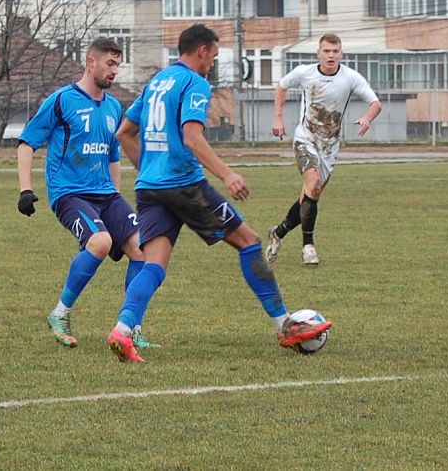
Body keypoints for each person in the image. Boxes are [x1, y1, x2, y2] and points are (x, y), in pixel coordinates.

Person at [112, 24, 331, 363]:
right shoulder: (195, 82)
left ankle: (123, 329)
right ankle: (284, 324)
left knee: (154, 264)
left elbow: (125, 133)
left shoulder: (157, 81)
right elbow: (192, 137)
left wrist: (150, 170)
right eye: (213, 56)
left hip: (150, 188)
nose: (212, 64)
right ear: (201, 51)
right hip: (184, 184)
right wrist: (227, 175)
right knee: (250, 242)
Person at [17, 38, 150, 350]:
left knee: (143, 248)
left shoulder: (114, 107)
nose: (115, 70)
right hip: (69, 193)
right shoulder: (62, 101)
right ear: (91, 62)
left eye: (118, 64)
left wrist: (116, 203)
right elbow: (26, 143)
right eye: (110, 63)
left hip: (106, 195)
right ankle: (60, 314)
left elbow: (113, 157)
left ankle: (130, 328)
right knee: (101, 242)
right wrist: (25, 190)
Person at [266, 33, 381, 265]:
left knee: (310, 195)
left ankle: (278, 233)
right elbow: (282, 86)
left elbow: (375, 103)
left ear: (341, 54)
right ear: (318, 53)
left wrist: (367, 118)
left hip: (329, 146)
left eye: (335, 51)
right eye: (326, 51)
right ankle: (308, 246)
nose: (331, 55)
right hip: (305, 139)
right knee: (314, 184)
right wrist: (278, 117)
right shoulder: (304, 72)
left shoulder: (351, 77)